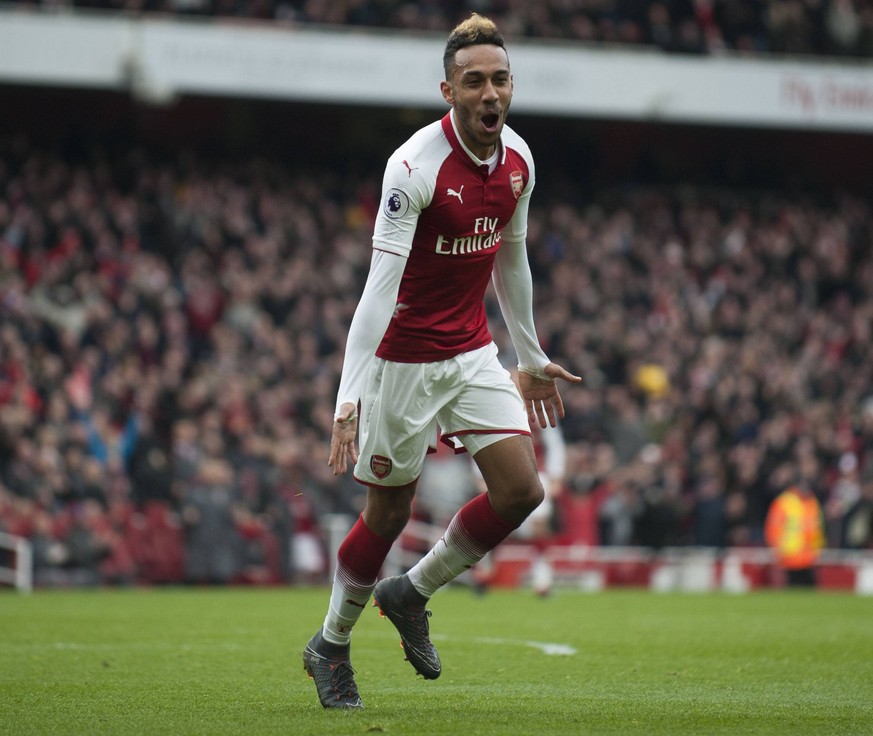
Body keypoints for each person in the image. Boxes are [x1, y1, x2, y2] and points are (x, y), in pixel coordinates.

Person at [302, 13, 581, 709]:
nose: (491, 94)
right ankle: (330, 644)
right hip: (400, 362)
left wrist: (530, 352)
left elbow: (509, 255)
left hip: (470, 351)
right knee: (388, 515)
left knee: (522, 492)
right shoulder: (412, 169)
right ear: (448, 91)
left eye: (500, 79)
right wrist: (349, 395)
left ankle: (411, 591)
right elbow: (377, 291)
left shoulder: (518, 160)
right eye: (474, 82)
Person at [764, 482, 825, 587]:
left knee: (809, 592)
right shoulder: (785, 502)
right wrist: (776, 549)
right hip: (789, 555)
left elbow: (817, 528)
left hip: (809, 556)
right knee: (792, 590)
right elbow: (773, 528)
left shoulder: (812, 502)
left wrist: (818, 548)